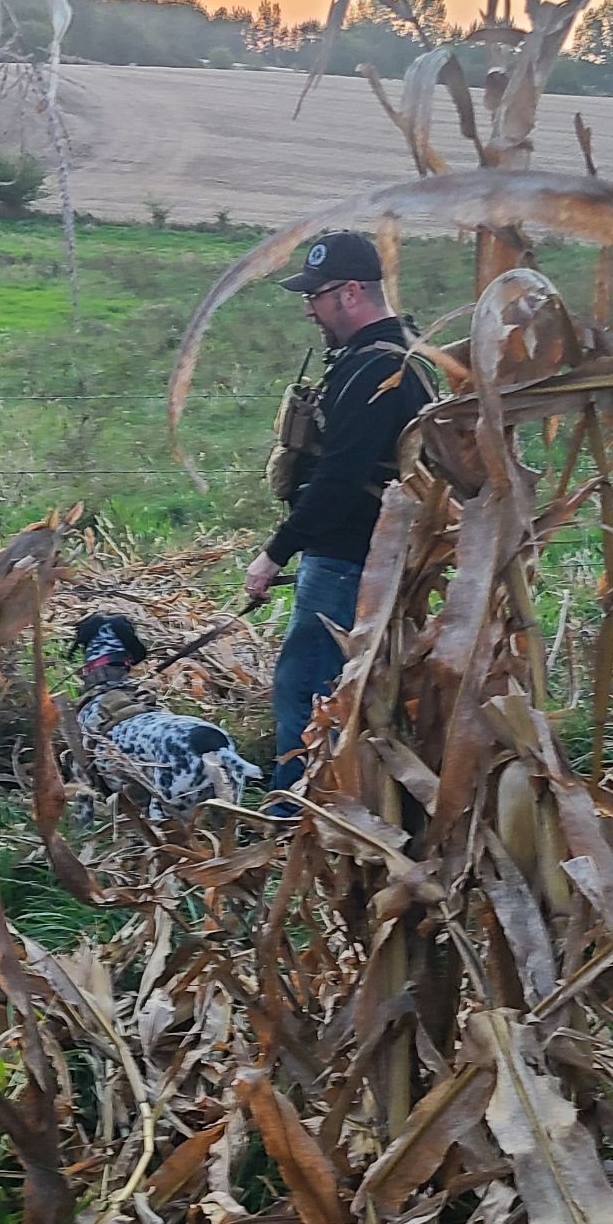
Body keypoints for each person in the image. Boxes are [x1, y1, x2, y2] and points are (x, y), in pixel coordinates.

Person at [243, 230, 435, 799]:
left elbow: (339, 479)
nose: (309, 309)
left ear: (351, 292)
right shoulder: (399, 353)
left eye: (316, 295)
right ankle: (350, 807)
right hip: (368, 556)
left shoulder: (377, 369)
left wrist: (274, 553)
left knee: (308, 694)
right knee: (350, 695)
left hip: (346, 559)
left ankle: (293, 818)